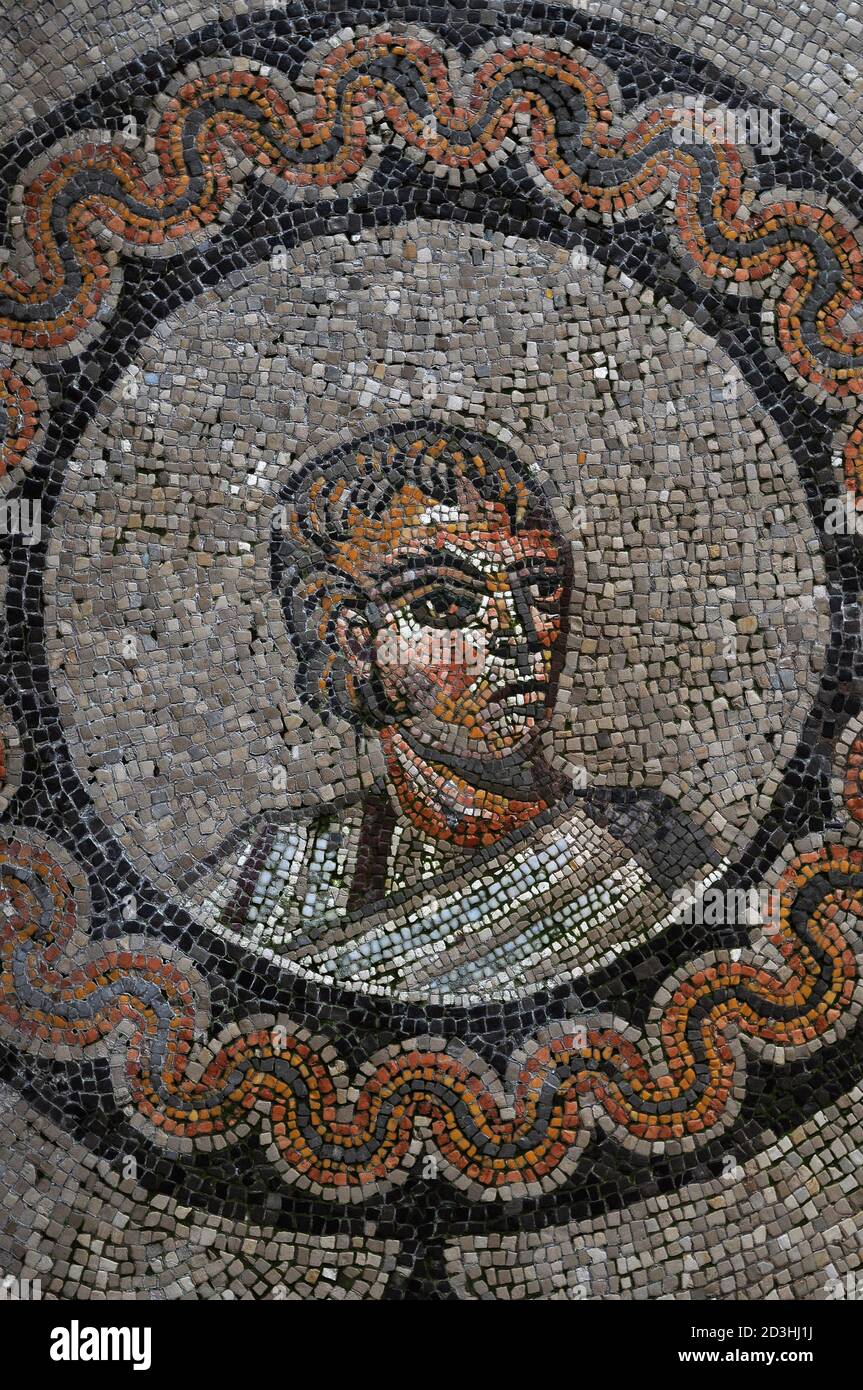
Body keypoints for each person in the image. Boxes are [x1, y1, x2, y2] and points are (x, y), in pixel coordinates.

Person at [185, 421, 723, 1000]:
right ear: (352, 635)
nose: (521, 636)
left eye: (538, 591)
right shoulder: (267, 874)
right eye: (446, 603)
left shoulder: (655, 852)